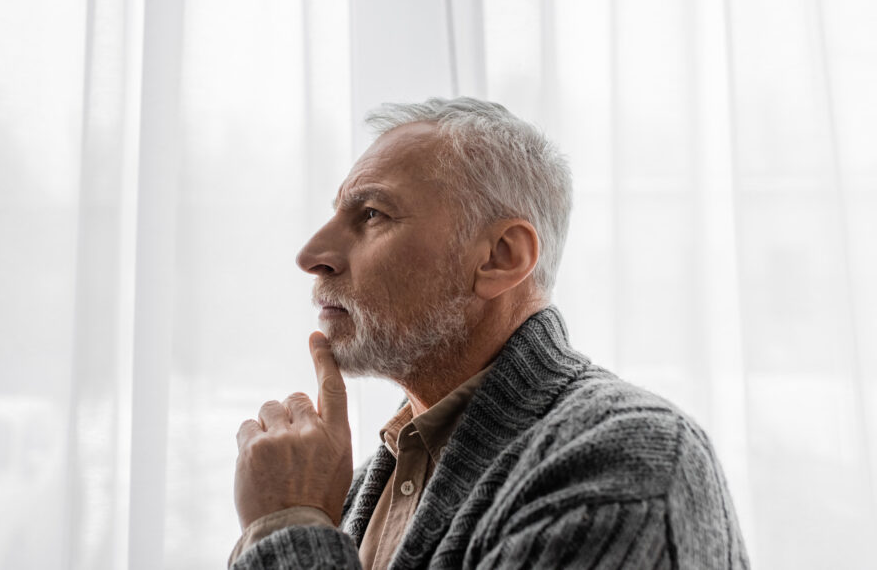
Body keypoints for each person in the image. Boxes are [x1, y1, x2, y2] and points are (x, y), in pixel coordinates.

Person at [230, 97, 749, 569]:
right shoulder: (358, 484)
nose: (311, 255)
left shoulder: (627, 460)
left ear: (502, 257)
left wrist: (288, 528)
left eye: (371, 214)